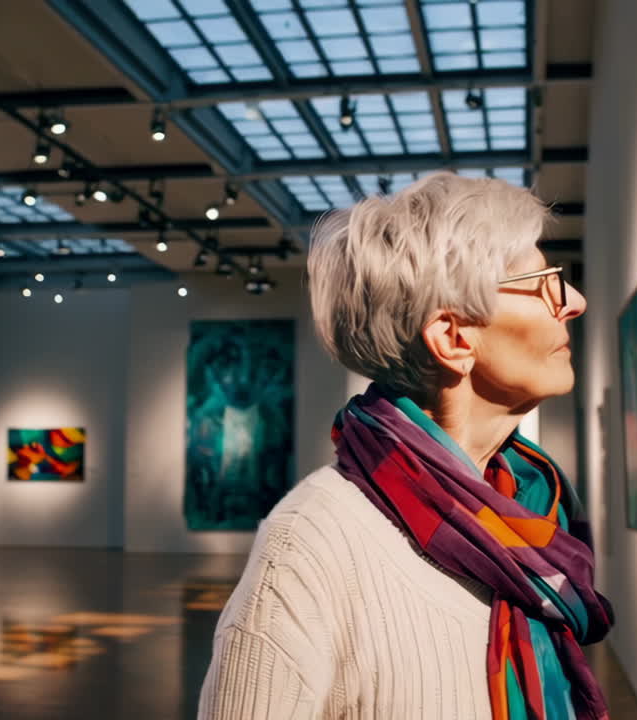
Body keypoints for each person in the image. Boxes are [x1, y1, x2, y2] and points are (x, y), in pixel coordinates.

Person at [198, 173, 614, 719]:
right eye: (544, 283)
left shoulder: (531, 510)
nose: (575, 302)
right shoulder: (308, 546)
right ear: (454, 338)